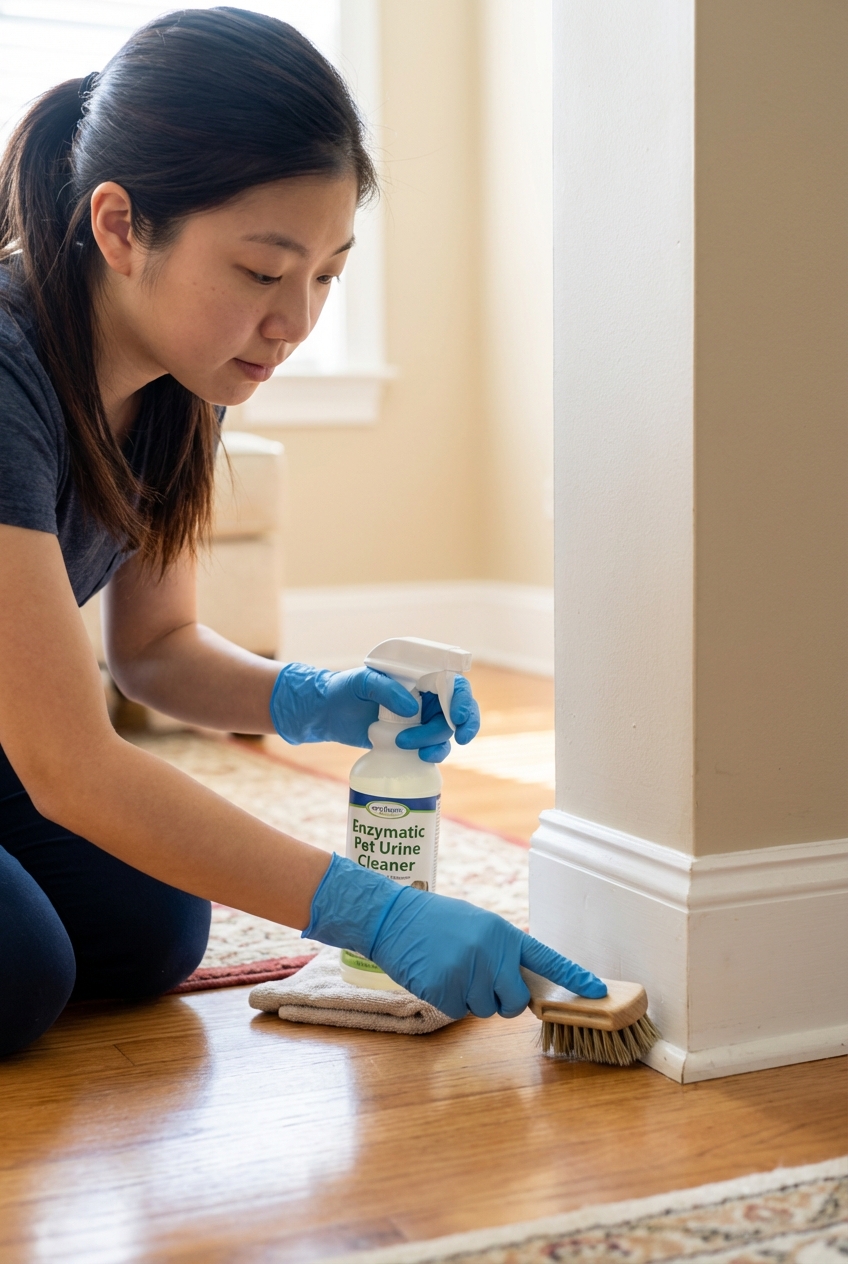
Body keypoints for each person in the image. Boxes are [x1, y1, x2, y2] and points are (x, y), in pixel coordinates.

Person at [0, 7, 606, 1059]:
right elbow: (69, 765)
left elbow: (151, 650)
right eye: (261, 272)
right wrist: (373, 912)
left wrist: (311, 697)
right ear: (119, 226)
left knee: (154, 928)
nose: (295, 323)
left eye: (327, 273)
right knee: (20, 972)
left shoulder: (184, 381)